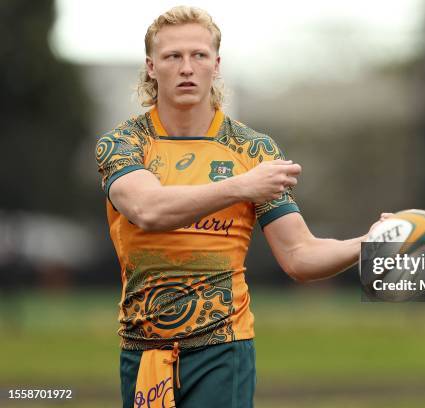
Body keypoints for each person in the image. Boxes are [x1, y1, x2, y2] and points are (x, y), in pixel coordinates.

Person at [96, 6, 387, 408]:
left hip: (223, 349)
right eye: (172, 57)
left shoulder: (253, 150)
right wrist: (242, 186)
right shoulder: (123, 143)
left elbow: (300, 256)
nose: (186, 68)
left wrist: (368, 243)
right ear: (151, 67)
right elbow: (148, 209)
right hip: (142, 350)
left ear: (216, 66)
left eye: (198, 55)